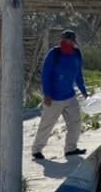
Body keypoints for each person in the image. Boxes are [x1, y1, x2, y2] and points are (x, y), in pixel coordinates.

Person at [31, 29, 90, 161]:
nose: (67, 42)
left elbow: (78, 75)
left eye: (70, 39)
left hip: (70, 96)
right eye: (64, 39)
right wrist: (47, 94)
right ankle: (37, 150)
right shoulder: (54, 54)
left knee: (75, 122)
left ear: (74, 41)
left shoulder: (76, 54)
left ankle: (70, 149)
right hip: (53, 98)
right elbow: (46, 75)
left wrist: (84, 91)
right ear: (61, 40)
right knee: (47, 124)